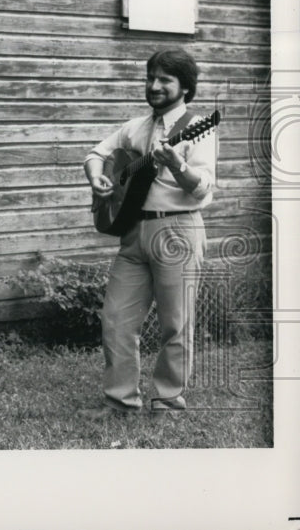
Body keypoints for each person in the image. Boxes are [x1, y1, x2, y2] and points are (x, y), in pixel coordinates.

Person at [83, 49, 217, 416]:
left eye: (164, 80)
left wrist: (177, 165)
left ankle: (168, 402)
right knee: (116, 320)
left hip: (177, 230)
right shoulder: (135, 126)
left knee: (176, 323)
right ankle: (121, 402)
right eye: (150, 78)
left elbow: (202, 187)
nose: (154, 86)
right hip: (133, 232)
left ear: (185, 88)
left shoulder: (198, 127)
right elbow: (96, 153)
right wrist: (97, 177)